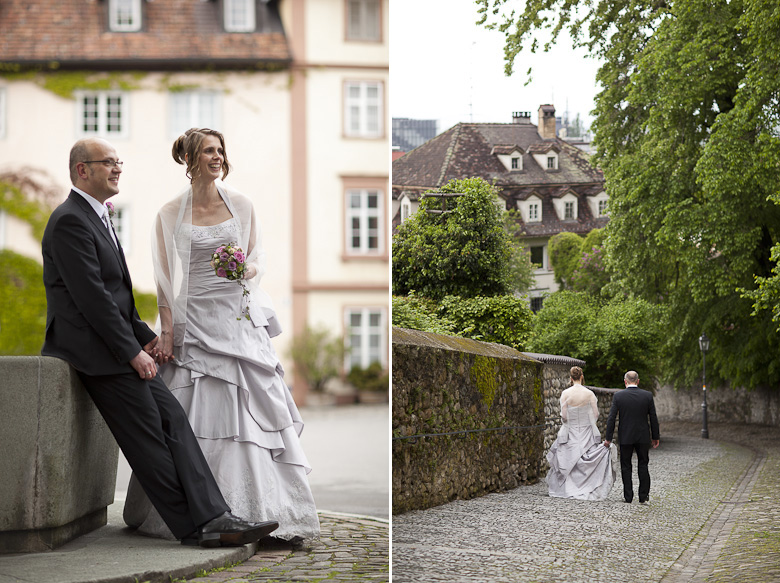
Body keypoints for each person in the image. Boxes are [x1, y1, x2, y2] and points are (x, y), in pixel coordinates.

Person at [41, 137, 279, 548]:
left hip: (116, 344)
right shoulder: (69, 220)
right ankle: (194, 528)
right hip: (93, 354)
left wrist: (151, 340)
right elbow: (93, 301)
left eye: (119, 162)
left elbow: (118, 301)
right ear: (82, 170)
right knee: (149, 437)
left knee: (174, 419)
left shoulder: (96, 217)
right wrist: (132, 352)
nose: (118, 169)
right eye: (108, 163)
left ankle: (215, 516)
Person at [123, 128, 320, 543]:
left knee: (252, 415)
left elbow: (256, 256)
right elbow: (163, 282)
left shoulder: (243, 205)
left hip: (237, 319)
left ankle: (272, 514)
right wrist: (169, 333)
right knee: (193, 418)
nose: (217, 157)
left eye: (220, 151)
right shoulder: (168, 214)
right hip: (195, 323)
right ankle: (203, 513)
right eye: (209, 151)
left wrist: (246, 269)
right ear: (190, 159)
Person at [546, 366, 617, 501]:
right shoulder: (589, 394)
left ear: (571, 378)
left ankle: (568, 488)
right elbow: (595, 414)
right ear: (582, 376)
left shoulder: (566, 393)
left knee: (568, 458)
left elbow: (564, 417)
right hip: (586, 431)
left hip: (570, 430)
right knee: (584, 459)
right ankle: (585, 486)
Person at [604, 370, 660, 503]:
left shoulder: (619, 396)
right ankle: (643, 495)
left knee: (626, 466)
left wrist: (608, 438)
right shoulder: (647, 396)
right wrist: (655, 436)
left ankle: (628, 496)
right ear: (638, 381)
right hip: (642, 436)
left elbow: (612, 418)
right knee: (643, 464)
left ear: (625, 381)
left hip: (626, 436)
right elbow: (653, 417)